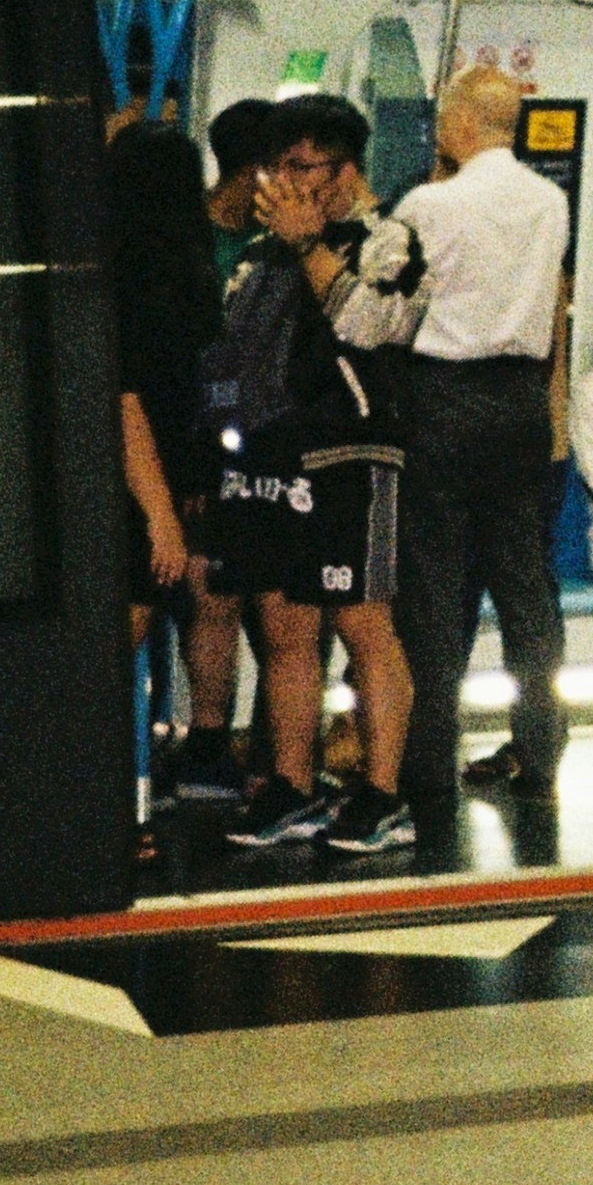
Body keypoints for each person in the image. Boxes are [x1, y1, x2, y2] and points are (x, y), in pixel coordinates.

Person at [209, 96, 428, 858]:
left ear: (345, 169)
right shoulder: (257, 254)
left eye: (305, 167)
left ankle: (384, 792)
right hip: (266, 459)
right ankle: (292, 783)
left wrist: (308, 247)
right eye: (279, 169)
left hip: (350, 454)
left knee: (363, 623)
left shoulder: (390, 239)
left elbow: (373, 327)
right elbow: (226, 353)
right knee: (283, 628)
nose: (290, 185)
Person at [391, 64, 578, 809]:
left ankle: (428, 760)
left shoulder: (427, 203)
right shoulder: (551, 201)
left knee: (434, 586)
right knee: (526, 583)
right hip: (521, 401)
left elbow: (397, 298)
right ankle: (541, 745)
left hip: (441, 396)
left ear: (461, 123)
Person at [100, 108, 239, 797]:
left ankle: (81, 774)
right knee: (208, 601)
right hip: (188, 466)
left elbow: (126, 397)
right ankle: (208, 751)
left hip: (126, 471)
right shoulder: (195, 275)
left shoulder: (111, 275)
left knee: (123, 619)